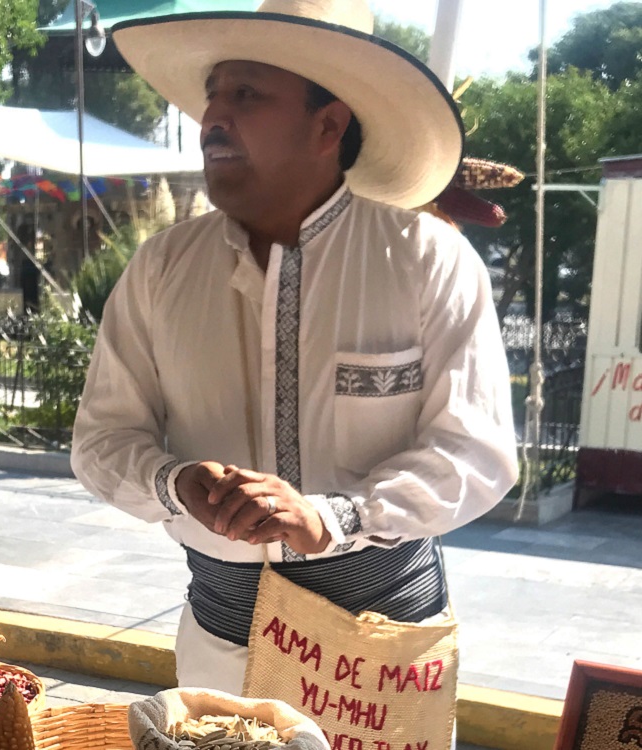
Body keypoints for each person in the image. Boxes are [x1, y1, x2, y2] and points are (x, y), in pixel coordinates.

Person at [71, 0, 518, 694]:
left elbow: (477, 452)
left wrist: (334, 517)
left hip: (383, 659)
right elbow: (101, 440)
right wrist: (176, 484)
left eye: (246, 94)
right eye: (213, 94)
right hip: (221, 647)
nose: (213, 116)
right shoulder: (162, 267)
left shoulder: (427, 260)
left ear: (328, 125)